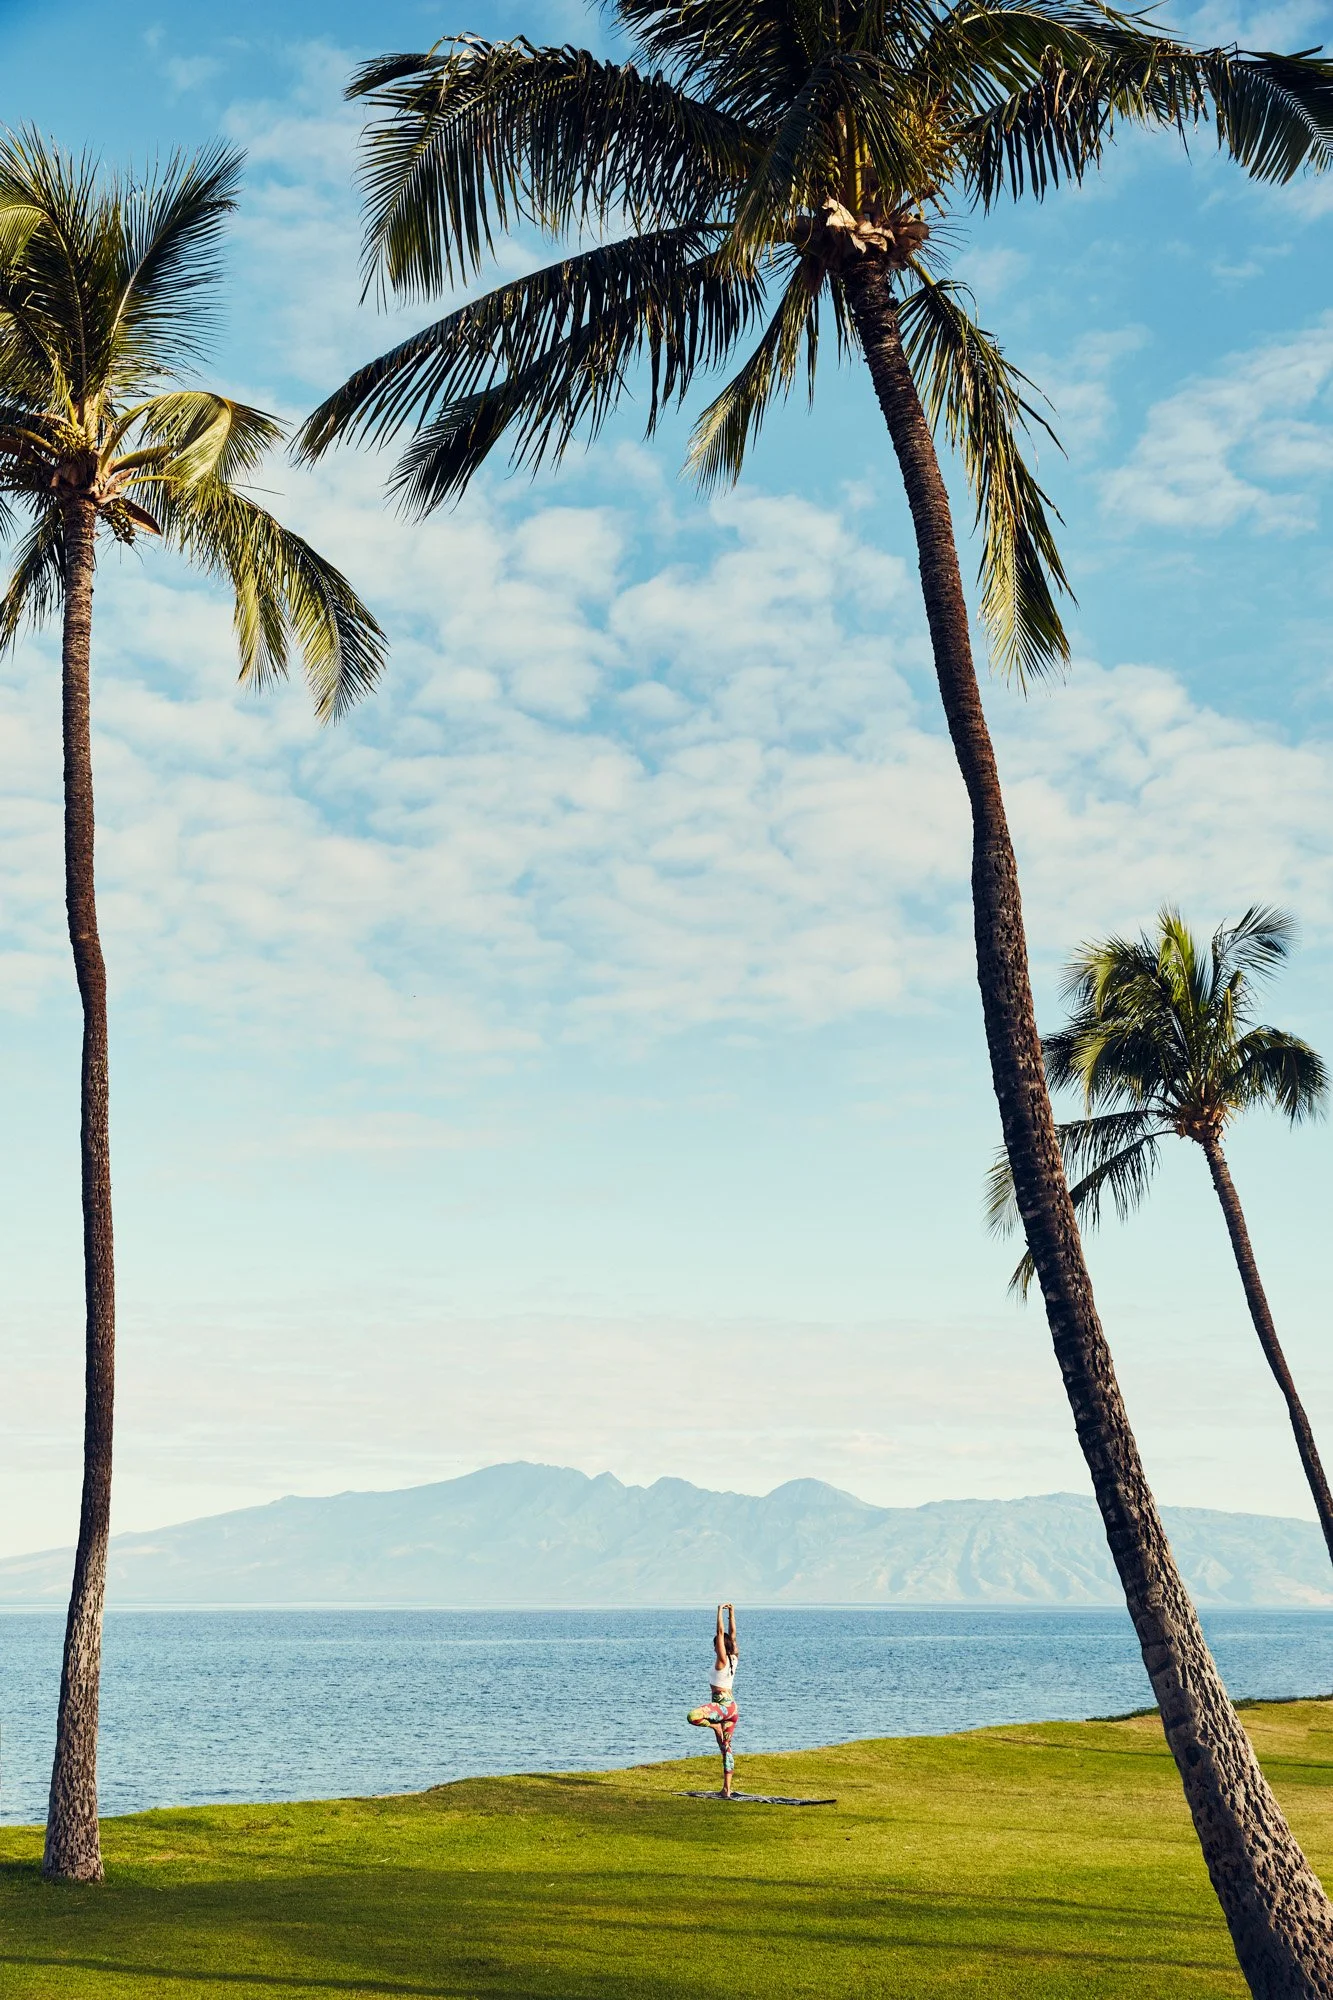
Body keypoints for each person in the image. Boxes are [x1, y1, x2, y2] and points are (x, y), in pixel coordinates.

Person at [687, 1602, 739, 1797]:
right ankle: (727, 1789)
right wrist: (732, 1613)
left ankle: (714, 1726)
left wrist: (719, 1612)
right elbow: (732, 1635)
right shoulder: (734, 1658)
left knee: (693, 1716)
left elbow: (721, 1632)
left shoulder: (723, 1660)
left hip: (722, 1707)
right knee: (726, 1748)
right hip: (732, 1709)